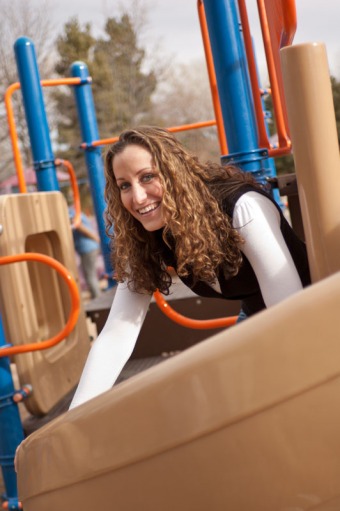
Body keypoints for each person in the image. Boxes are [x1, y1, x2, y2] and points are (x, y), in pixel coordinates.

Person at [68, 126, 310, 409]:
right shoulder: (147, 235)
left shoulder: (241, 207)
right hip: (261, 318)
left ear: (174, 173)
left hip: (312, 316)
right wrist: (74, 419)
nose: (138, 197)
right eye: (124, 185)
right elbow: (117, 334)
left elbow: (290, 312)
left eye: (147, 177)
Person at [69, 208, 101, 299]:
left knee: (90, 276)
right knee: (91, 275)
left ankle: (97, 298)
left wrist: (94, 237)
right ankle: (97, 296)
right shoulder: (76, 210)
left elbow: (78, 225)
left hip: (87, 248)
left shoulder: (70, 212)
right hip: (90, 247)